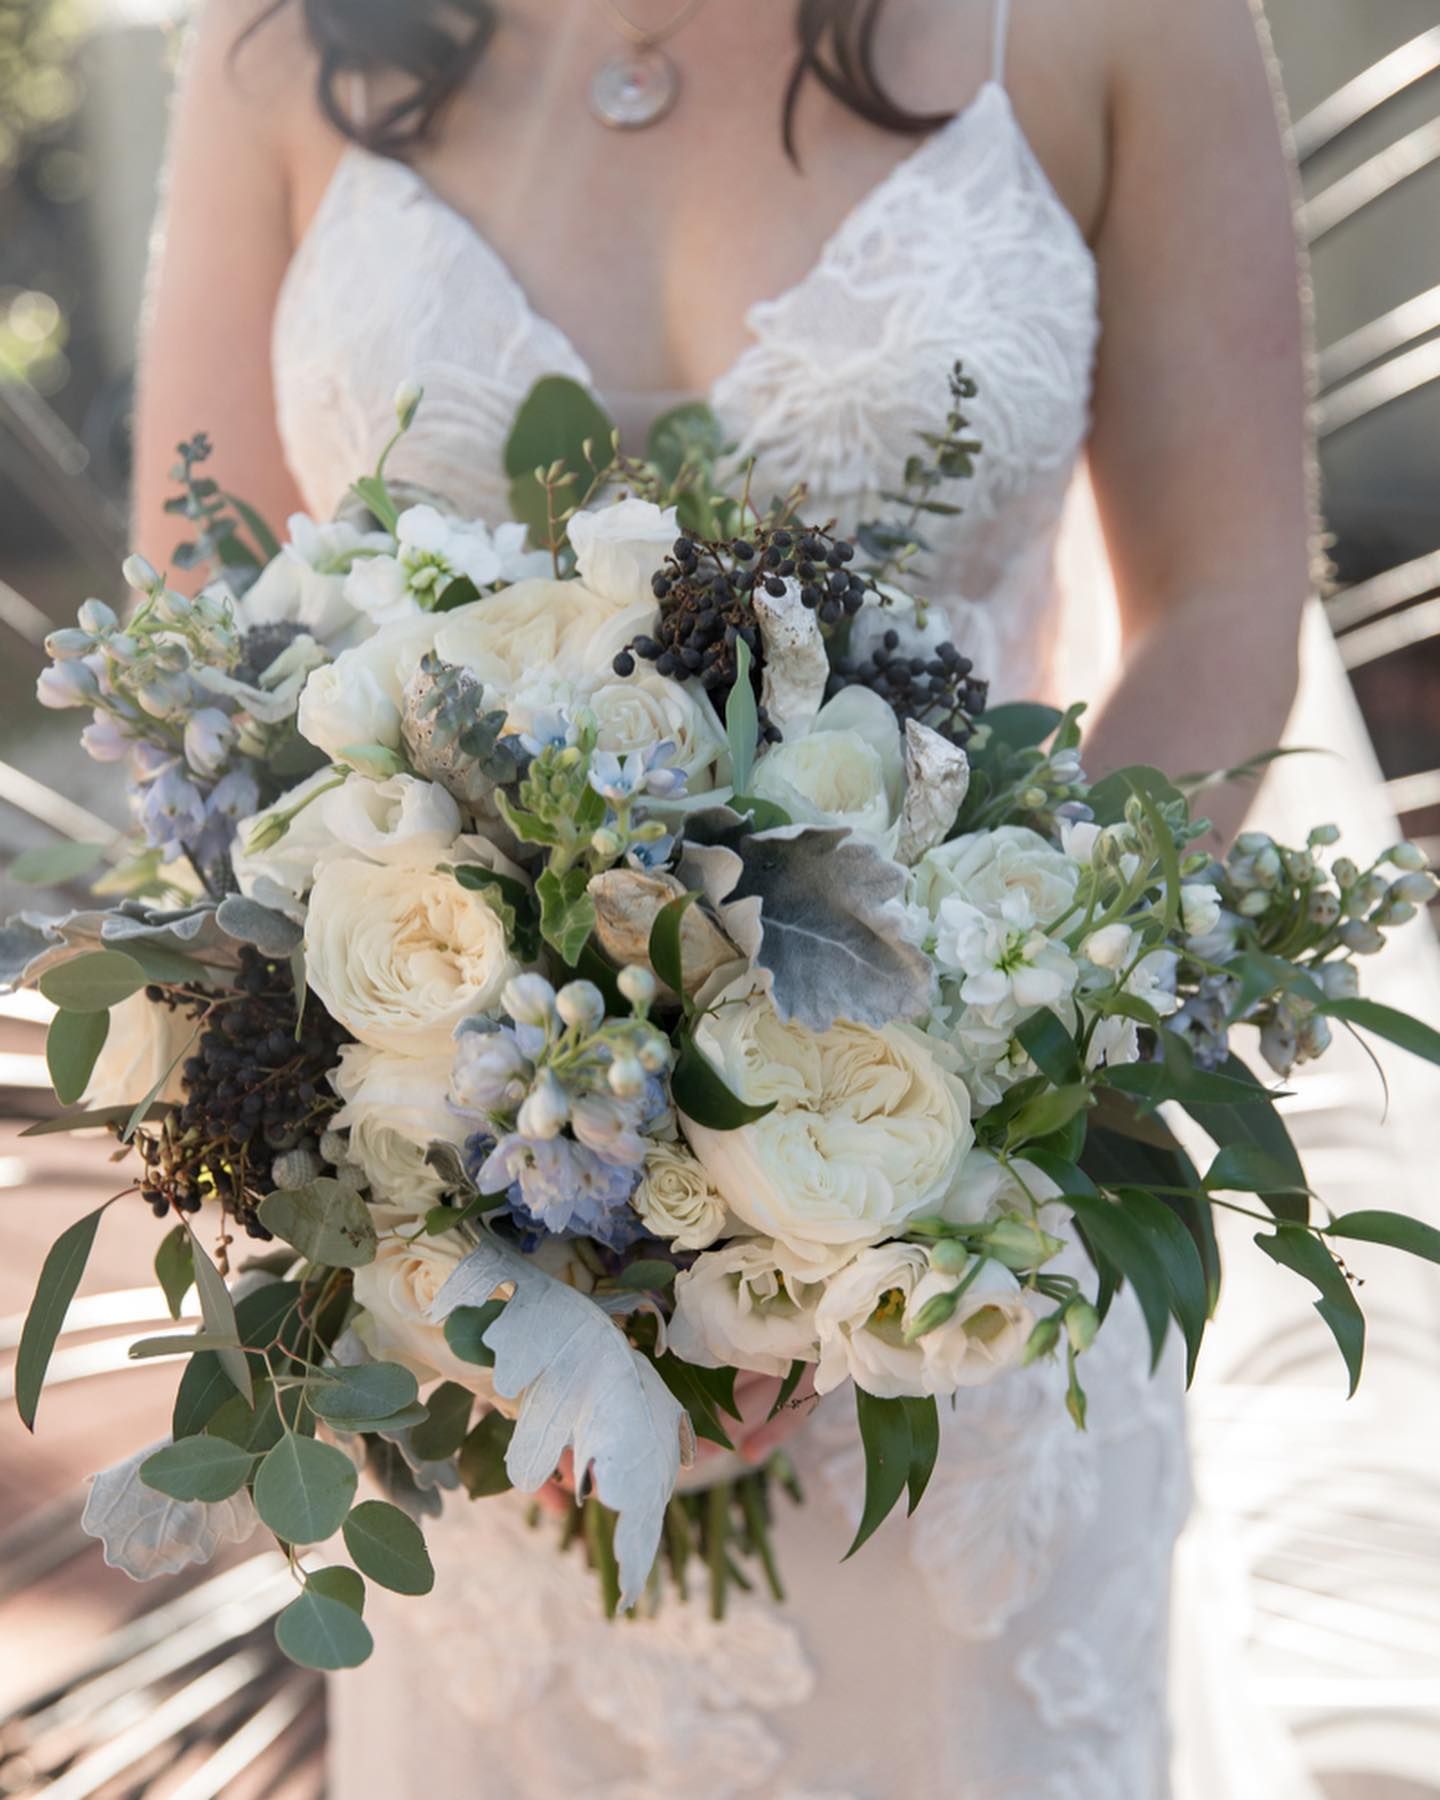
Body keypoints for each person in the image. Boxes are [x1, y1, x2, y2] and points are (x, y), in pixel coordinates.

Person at [133, 3, 1427, 1795]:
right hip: (473, 1329)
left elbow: (1219, 604)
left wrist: (921, 1154)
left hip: (953, 1268)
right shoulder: (275, 44)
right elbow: (208, 640)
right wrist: (501, 1250)